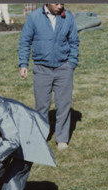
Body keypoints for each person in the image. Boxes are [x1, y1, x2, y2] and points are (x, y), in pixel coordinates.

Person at [18, 3, 79, 151]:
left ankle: (62, 138)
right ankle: (41, 137)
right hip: (41, 69)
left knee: (63, 105)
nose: (59, 6)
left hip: (63, 68)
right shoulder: (34, 17)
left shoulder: (68, 17)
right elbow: (25, 42)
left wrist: (71, 63)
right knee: (41, 106)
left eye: (62, 3)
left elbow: (74, 42)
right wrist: (23, 64)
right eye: (56, 3)